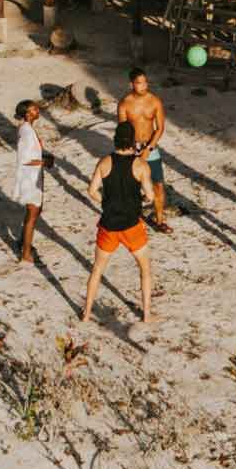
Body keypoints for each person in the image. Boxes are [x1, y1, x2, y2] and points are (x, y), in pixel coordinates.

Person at [82, 120, 154, 323]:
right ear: (133, 141)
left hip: (108, 225)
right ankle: (147, 315)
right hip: (132, 225)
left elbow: (91, 191)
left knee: (97, 270)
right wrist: (139, 200)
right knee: (145, 269)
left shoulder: (104, 162)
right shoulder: (140, 165)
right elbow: (150, 196)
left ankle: (86, 314)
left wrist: (107, 202)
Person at [117, 67, 170, 232]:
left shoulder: (154, 101)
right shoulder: (125, 103)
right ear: (131, 84)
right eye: (139, 83)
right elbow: (123, 129)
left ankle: (160, 220)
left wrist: (149, 148)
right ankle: (132, 219)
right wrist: (131, 151)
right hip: (132, 148)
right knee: (131, 186)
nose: (144, 86)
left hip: (150, 146)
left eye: (145, 82)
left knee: (158, 185)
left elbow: (160, 128)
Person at [11, 100, 53, 265]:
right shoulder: (27, 132)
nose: (37, 111)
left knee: (35, 211)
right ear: (28, 114)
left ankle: (23, 242)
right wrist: (44, 162)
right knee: (32, 214)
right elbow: (23, 159)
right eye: (34, 109)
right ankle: (26, 253)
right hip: (30, 177)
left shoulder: (26, 129)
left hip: (33, 176)